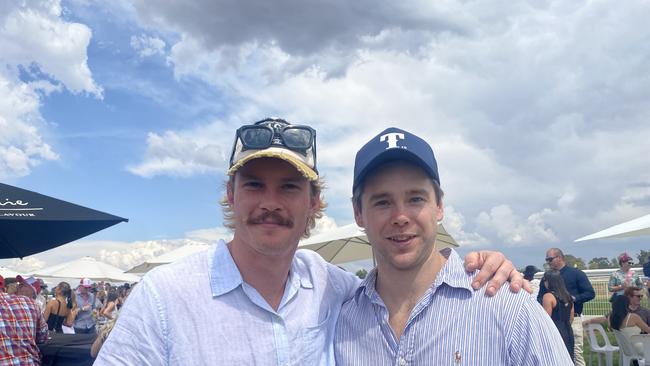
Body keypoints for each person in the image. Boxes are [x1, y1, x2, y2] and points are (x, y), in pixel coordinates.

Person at [95, 118, 525, 365]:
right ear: (231, 195)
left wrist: (483, 264)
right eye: (254, 185)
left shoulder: (335, 290)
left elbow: (407, 281)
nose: (270, 203)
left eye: (288, 187)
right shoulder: (166, 297)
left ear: (314, 203)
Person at [334, 127, 571, 365]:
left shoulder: (507, 308)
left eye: (415, 198)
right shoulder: (338, 322)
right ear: (358, 213)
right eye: (382, 202)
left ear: (439, 206)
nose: (400, 216)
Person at [538, 248, 595, 366]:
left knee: (575, 354)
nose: (548, 262)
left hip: (573, 318)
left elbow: (590, 293)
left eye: (550, 259)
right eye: (546, 260)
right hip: (553, 321)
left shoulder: (576, 274)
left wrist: (572, 299)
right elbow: (539, 297)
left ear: (559, 257)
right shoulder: (547, 277)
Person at [0, 281, 49, 364]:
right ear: (4, 287)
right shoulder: (30, 303)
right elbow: (43, 336)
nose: (19, 287)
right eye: (20, 285)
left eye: (22, 285)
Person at [585, 296, 650, 355]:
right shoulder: (633, 317)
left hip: (625, 349)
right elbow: (648, 330)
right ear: (627, 305)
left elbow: (603, 319)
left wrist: (589, 321)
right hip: (639, 348)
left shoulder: (611, 318)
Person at [542, 270, 574, 363]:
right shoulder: (569, 296)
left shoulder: (548, 297)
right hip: (568, 329)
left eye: (545, 280)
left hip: (555, 330)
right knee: (568, 358)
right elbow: (571, 316)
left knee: (554, 360)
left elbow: (546, 319)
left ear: (549, 281)